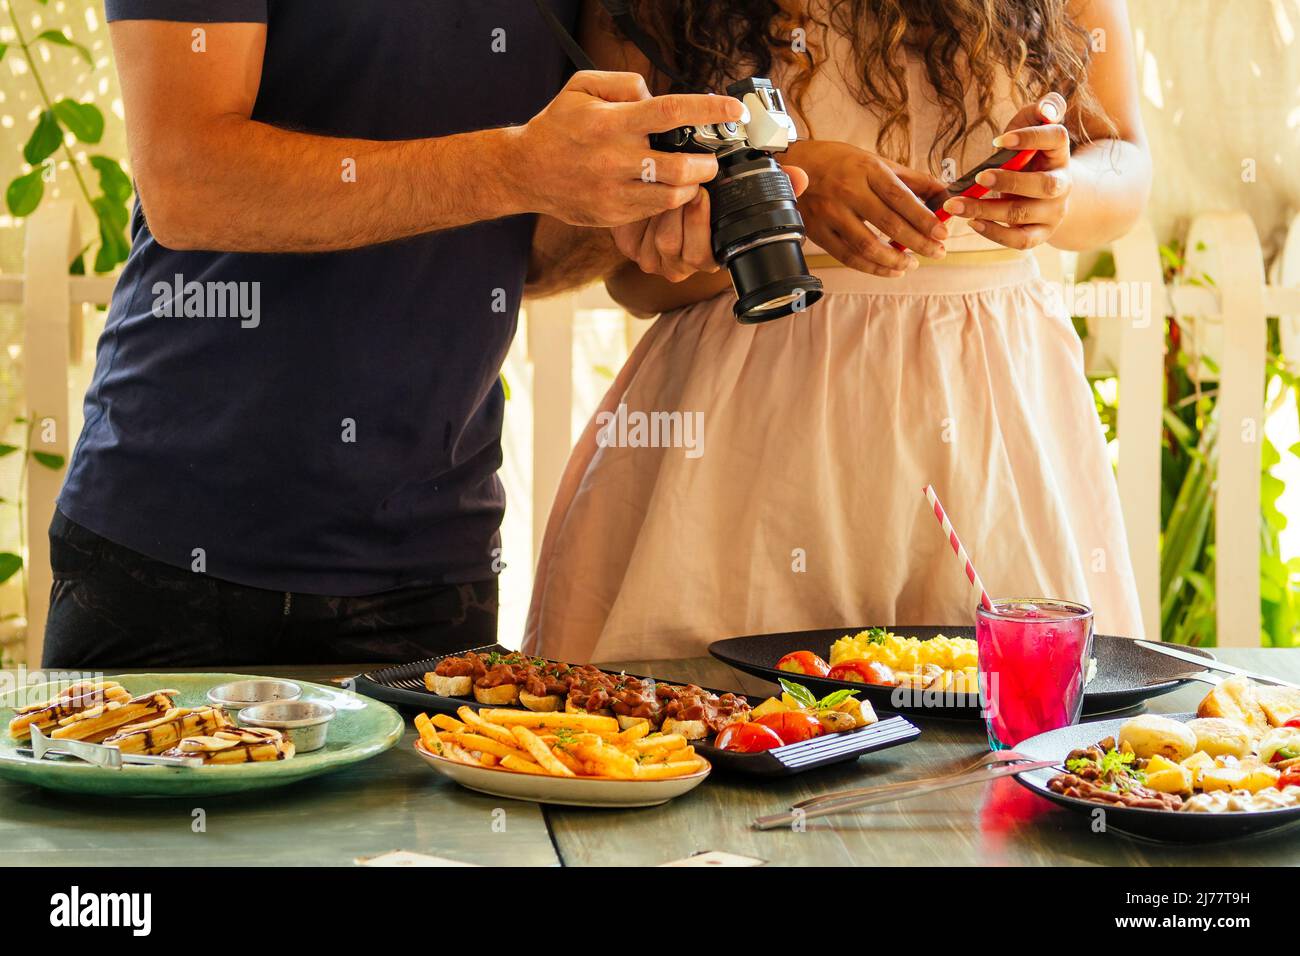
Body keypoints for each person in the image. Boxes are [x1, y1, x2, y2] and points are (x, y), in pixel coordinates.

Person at [43, 0, 758, 667]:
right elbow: (186, 179)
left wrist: (638, 200)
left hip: (435, 567)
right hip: (171, 548)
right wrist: (514, 167)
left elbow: (530, 252)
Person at [525, 0, 1152, 663]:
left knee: (1000, 734)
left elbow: (1124, 159)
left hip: (993, 426)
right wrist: (782, 190)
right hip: (741, 442)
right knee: (734, 728)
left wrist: (1063, 190)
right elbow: (633, 275)